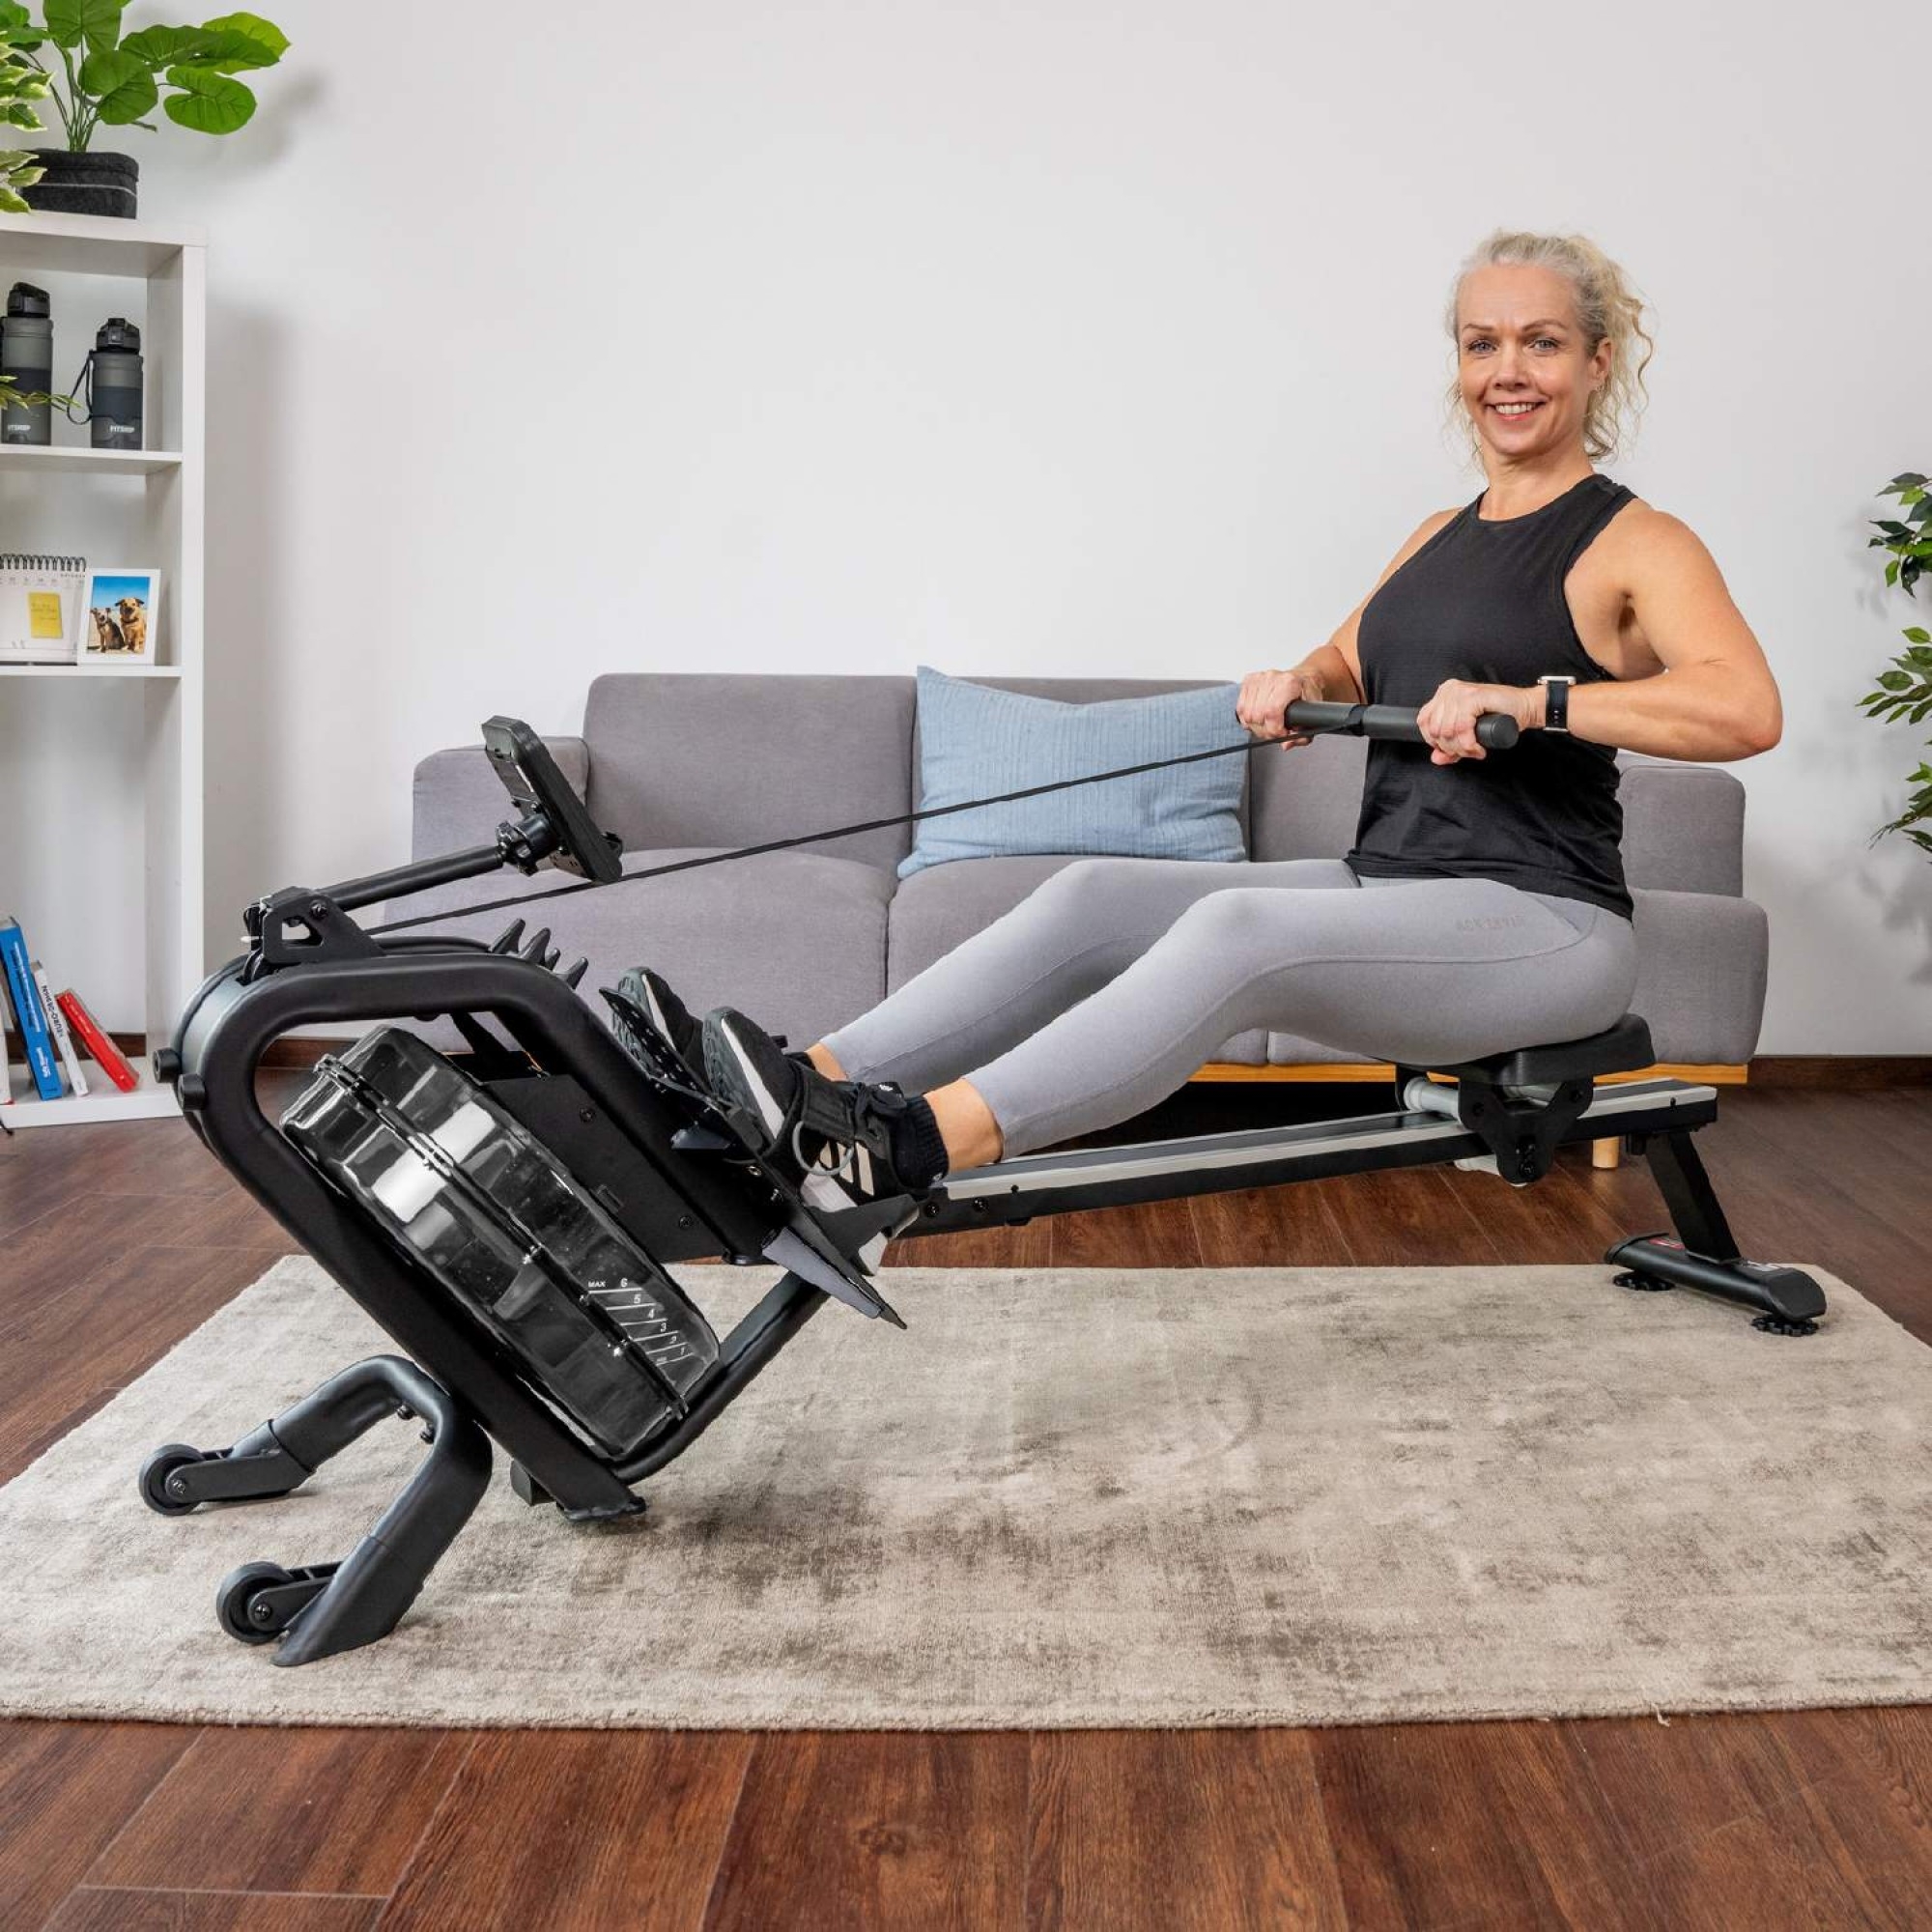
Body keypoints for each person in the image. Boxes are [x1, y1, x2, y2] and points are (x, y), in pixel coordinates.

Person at [631, 228, 1783, 1212]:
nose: (1506, 371)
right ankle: (792, 1086)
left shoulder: (1634, 540)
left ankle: (911, 1147)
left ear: (1595, 358)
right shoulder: (1438, 533)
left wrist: (1534, 700)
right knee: (1092, 891)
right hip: (1389, 883)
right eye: (1480, 344)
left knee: (1236, 925)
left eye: (1539, 342)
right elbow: (1344, 656)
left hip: (1544, 926)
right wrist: (1294, 679)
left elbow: (1743, 707)